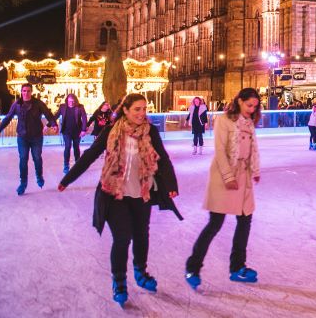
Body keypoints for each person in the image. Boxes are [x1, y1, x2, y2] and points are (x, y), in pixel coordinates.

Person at [58, 93, 181, 307]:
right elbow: (89, 156)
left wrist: (171, 185)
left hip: (141, 192)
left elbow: (163, 158)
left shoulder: (150, 131)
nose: (142, 113)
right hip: (115, 193)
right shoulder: (111, 132)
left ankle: (141, 272)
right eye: (137, 109)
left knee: (142, 234)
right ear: (125, 110)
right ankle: (119, 281)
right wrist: (67, 179)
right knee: (123, 237)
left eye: (144, 109)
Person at [185, 88, 261, 290]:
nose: (251, 110)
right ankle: (193, 267)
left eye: (255, 106)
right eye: (248, 105)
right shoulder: (224, 120)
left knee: (245, 221)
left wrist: (255, 170)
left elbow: (253, 148)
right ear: (239, 101)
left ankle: (237, 267)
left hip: (243, 178)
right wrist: (228, 177)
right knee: (215, 224)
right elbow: (220, 151)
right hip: (223, 177)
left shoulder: (249, 123)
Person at [0, 83, 57, 195]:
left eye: (28, 91)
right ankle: (23, 183)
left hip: (36, 136)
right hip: (22, 137)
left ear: (31, 92)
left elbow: (48, 114)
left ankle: (39, 175)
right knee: (23, 159)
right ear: (21, 92)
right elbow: (8, 118)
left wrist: (54, 124)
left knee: (37, 157)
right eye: (24, 91)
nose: (26, 93)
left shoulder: (38, 103)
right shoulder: (17, 104)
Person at [55, 93, 88, 174]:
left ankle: (77, 165)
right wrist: (50, 124)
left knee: (76, 147)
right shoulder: (63, 107)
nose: (71, 103)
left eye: (73, 101)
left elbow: (84, 118)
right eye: (69, 101)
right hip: (66, 131)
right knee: (68, 146)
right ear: (67, 101)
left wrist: (83, 130)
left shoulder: (80, 107)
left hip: (77, 132)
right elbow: (56, 116)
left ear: (75, 101)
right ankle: (66, 165)